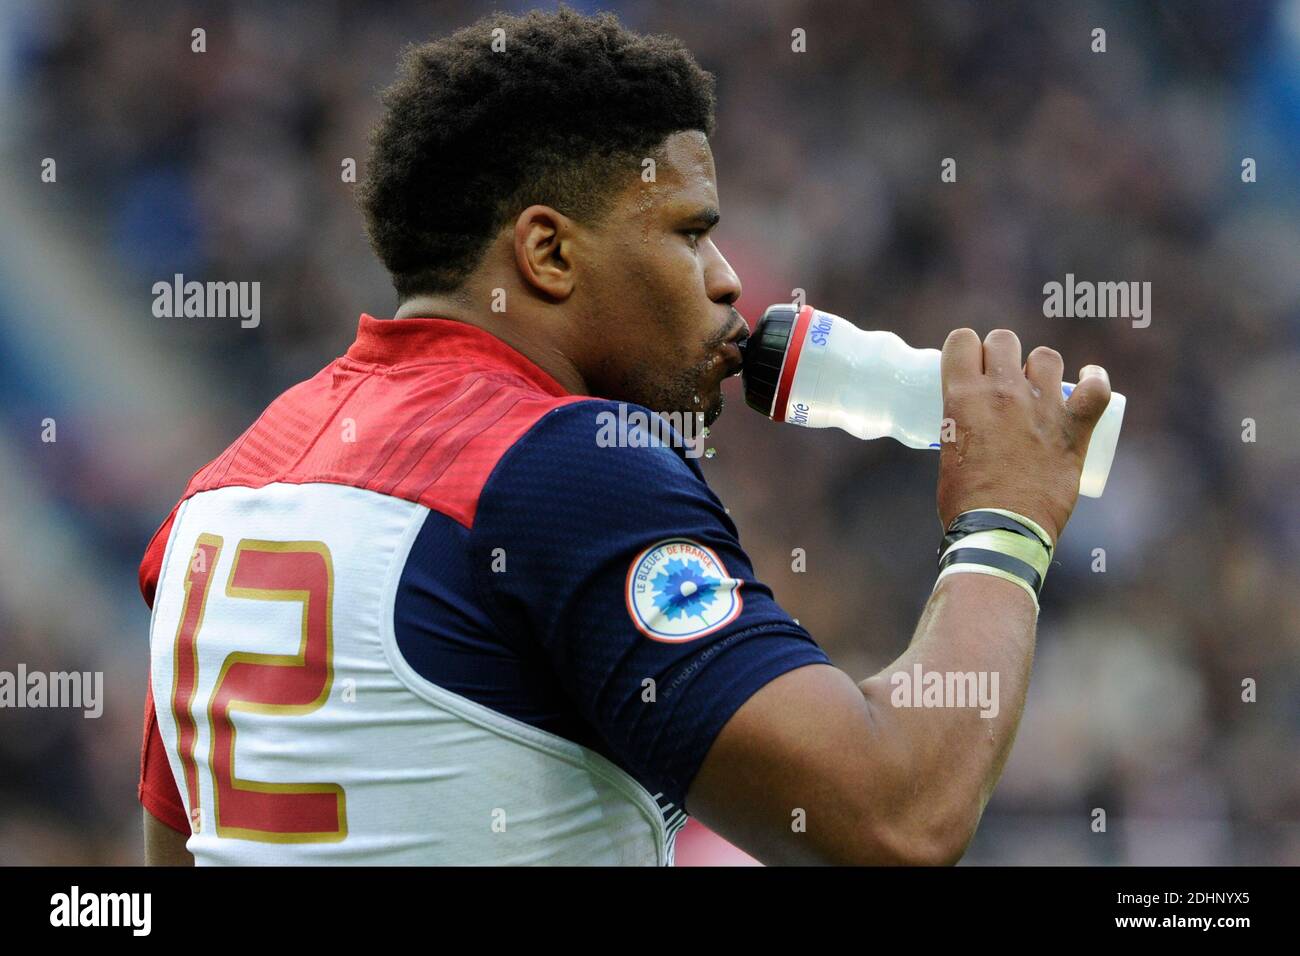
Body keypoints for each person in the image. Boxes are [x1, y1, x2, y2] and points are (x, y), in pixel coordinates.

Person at [138, 6, 1110, 865]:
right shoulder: (560, 462)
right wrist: (1005, 517)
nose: (730, 280)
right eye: (690, 233)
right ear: (549, 251)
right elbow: (891, 817)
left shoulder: (219, 491)